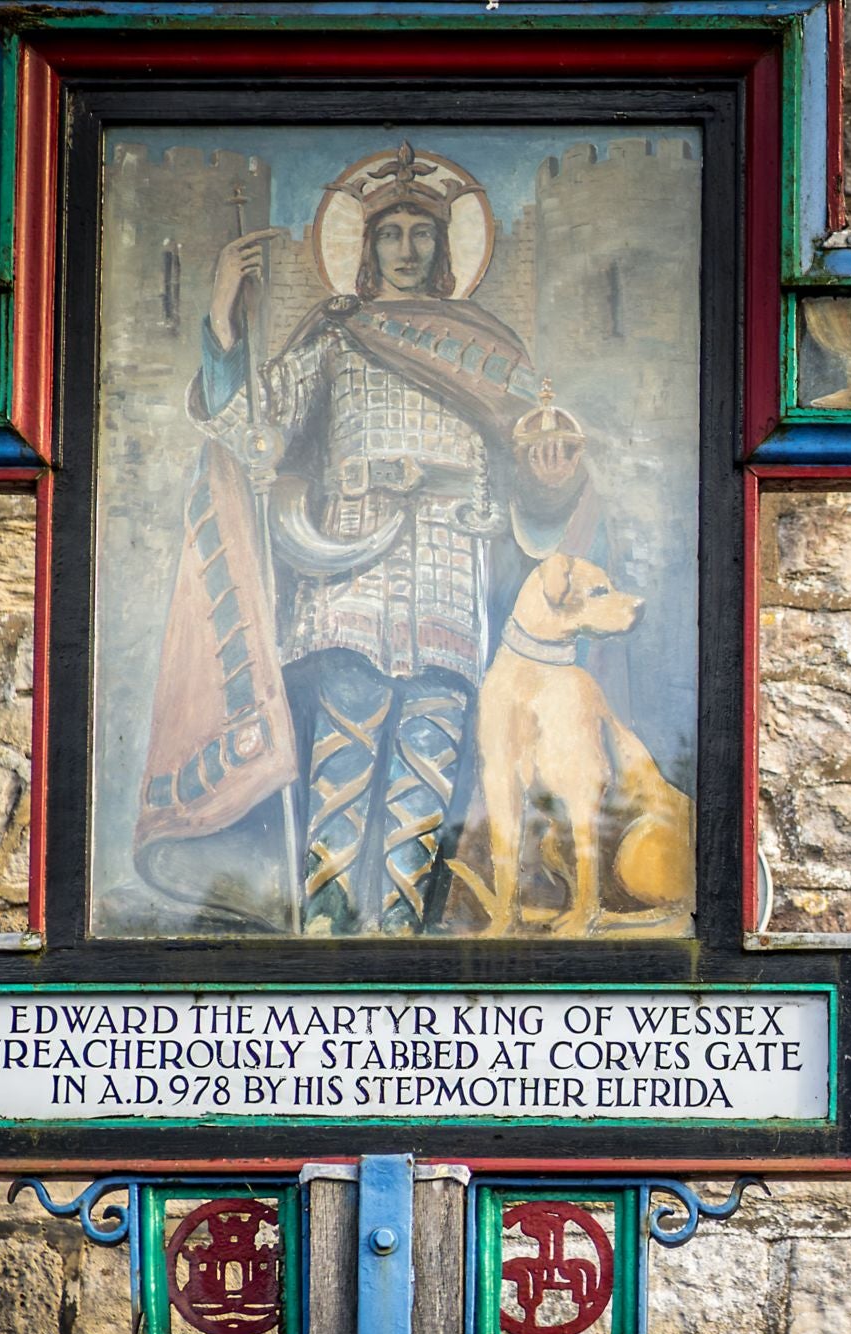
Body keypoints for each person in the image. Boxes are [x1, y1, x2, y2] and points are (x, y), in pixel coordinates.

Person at [132, 144, 606, 935]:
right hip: (348, 562)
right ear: (367, 247)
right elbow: (258, 428)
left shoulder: (490, 352)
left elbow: (533, 474)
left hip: (452, 569)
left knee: (428, 757)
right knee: (346, 749)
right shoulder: (339, 337)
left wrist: (551, 476)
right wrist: (222, 318)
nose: (408, 250)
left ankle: (397, 932)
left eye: (423, 234)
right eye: (392, 235)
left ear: (447, 248)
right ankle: (324, 927)